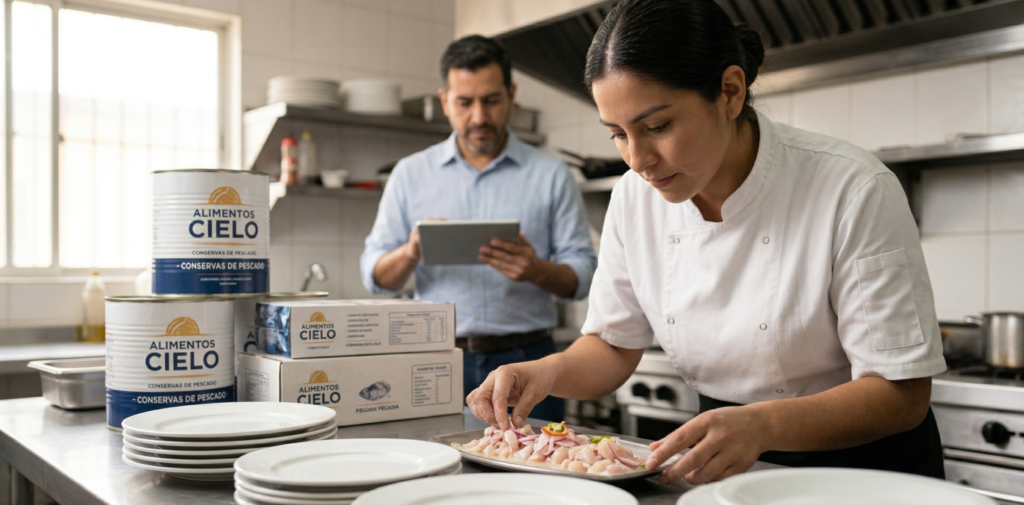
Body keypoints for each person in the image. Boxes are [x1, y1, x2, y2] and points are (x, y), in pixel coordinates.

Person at [466, 0, 947, 485]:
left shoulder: (853, 187)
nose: (638, 159)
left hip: (863, 473)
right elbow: (612, 345)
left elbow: (901, 394)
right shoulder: (634, 198)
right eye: (618, 134)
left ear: (730, 92)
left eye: (657, 127)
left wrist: (762, 425)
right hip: (729, 460)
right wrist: (547, 371)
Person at [360, 35, 597, 423]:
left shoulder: (551, 174)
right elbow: (374, 276)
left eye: (491, 100)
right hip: (436, 362)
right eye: (464, 102)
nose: (479, 117)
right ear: (444, 101)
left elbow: (584, 276)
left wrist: (537, 270)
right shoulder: (409, 174)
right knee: (436, 460)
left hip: (529, 361)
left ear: (511, 96)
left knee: (536, 458)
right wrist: (411, 251)